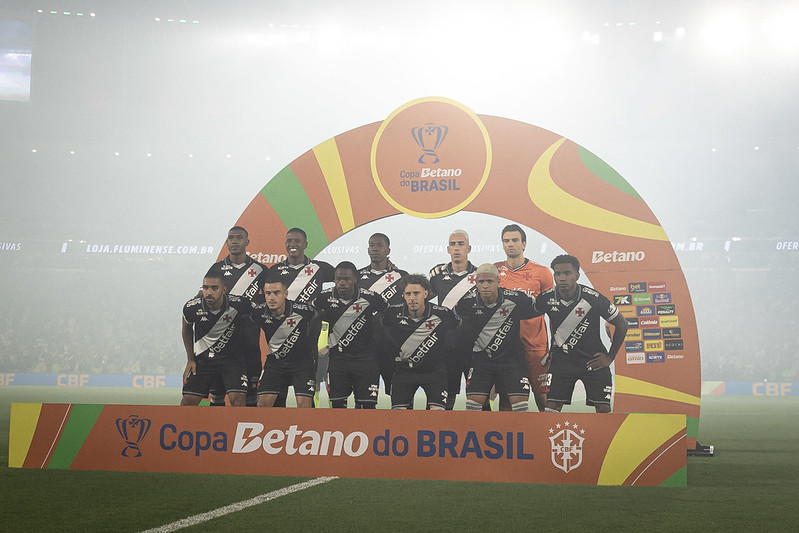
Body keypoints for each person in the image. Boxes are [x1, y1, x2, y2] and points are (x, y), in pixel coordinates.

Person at [533, 254, 628, 413]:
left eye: (567, 273)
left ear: (577, 275)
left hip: (593, 362)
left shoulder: (593, 298)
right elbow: (525, 317)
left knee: (603, 409)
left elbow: (622, 323)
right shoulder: (546, 298)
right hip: (562, 363)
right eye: (558, 274)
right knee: (551, 409)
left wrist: (610, 357)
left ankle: (603, 439)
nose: (562, 278)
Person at [455, 263, 535, 412]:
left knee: (520, 407)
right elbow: (455, 323)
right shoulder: (466, 303)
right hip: (482, 361)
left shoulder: (516, 298)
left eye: (490, 281)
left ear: (498, 282)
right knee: (472, 406)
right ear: (476, 283)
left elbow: (540, 307)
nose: (485, 285)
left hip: (513, 360)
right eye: (481, 282)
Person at [268, 228, 334, 406]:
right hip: (280, 340)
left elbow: (347, 278)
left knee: (307, 398)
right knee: (277, 399)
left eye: (297, 240)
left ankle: (308, 430)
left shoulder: (320, 268)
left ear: (305, 244)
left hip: (308, 340)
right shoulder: (274, 271)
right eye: (289, 240)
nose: (293, 244)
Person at [494, 224, 554, 411]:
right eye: (506, 240)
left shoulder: (542, 272)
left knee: (543, 399)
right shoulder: (495, 272)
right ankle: (508, 439)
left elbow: (553, 311)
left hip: (536, 346)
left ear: (524, 244)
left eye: (515, 240)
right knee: (506, 399)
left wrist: (555, 345)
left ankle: (545, 439)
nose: (510, 244)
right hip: (506, 349)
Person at [207, 226, 267, 407]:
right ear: (226, 242)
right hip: (221, 341)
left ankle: (245, 432)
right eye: (231, 238)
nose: (234, 241)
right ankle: (216, 431)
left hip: (248, 339)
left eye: (239, 238)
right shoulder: (216, 269)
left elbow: (269, 299)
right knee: (217, 395)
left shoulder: (260, 270)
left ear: (247, 242)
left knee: (250, 395)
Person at [315, 261, 388, 408]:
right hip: (338, 360)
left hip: (366, 360)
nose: (342, 283)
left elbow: (386, 311)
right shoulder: (324, 297)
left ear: (355, 279)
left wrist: (376, 333)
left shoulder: (370, 297)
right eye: (338, 279)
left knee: (366, 408)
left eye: (347, 279)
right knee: (338, 408)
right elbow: (313, 315)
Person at [381, 274, 459, 410]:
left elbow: (458, 336)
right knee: (399, 417)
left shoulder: (443, 314)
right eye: (408, 294)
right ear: (403, 295)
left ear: (425, 294)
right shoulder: (392, 314)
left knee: (437, 417)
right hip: (404, 372)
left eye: (416, 293)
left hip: (434, 372)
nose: (412, 298)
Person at [180, 268, 253, 407]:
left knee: (238, 400)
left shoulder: (239, 304)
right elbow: (186, 328)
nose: (209, 292)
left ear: (223, 290)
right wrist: (190, 359)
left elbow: (258, 316)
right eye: (205, 288)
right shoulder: (191, 308)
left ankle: (235, 428)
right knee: (187, 402)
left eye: (214, 288)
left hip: (232, 361)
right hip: (203, 362)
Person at [429, 229, 478, 410]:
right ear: (448, 249)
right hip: (446, 346)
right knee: (446, 399)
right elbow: (423, 299)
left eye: (461, 244)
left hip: (473, 347)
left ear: (469, 248)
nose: (456, 248)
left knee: (478, 398)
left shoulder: (480, 276)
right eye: (453, 244)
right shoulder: (437, 275)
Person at [254, 276, 317, 408]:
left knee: (304, 406)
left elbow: (320, 318)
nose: (271, 297)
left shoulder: (303, 311)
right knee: (262, 405)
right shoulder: (258, 312)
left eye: (276, 293)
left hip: (302, 364)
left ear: (285, 294)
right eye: (268, 293)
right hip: (275, 363)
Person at [358, 232, 408, 396]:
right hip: (365, 344)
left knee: (397, 393)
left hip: (392, 343)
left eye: (379, 246)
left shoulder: (401, 276)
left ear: (388, 250)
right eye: (372, 245)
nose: (375, 249)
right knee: (365, 395)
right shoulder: (357, 277)